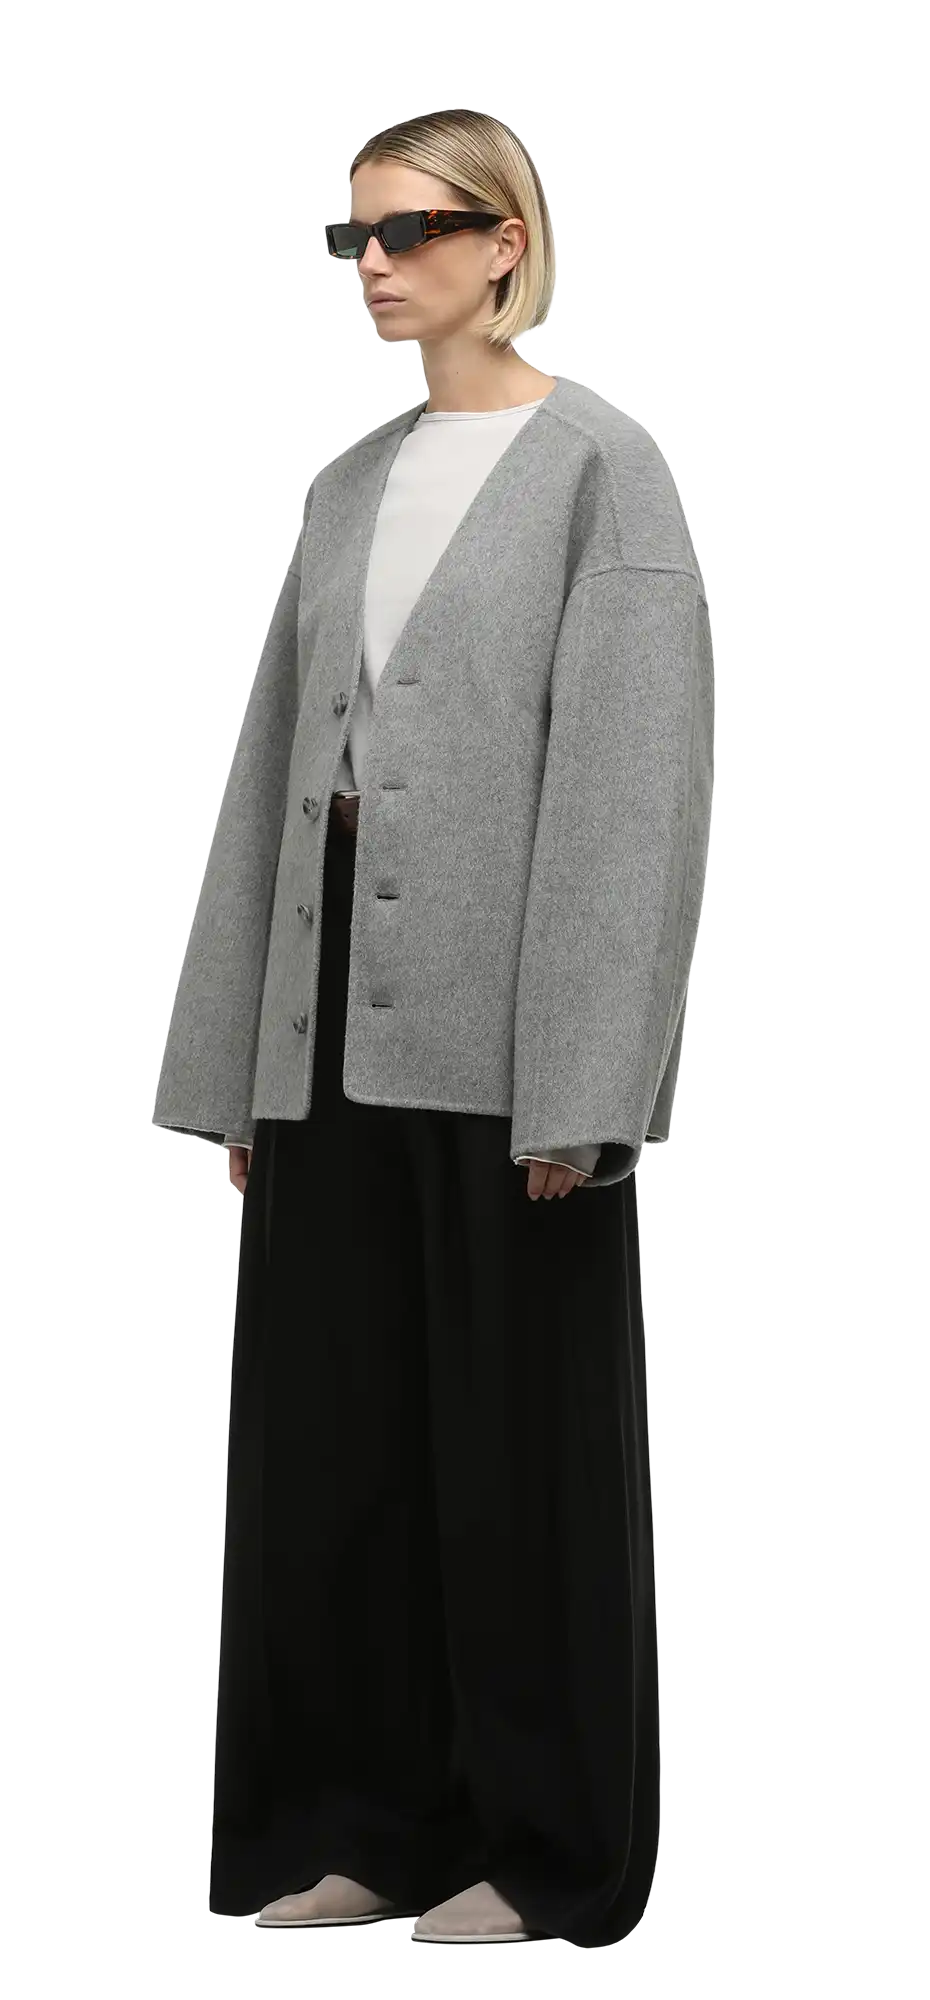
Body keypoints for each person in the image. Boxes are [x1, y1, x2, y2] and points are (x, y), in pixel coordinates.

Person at [152, 107, 715, 1948]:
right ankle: (366, 1825)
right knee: (335, 1450)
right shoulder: (344, 485)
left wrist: (585, 1085)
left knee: (516, 1459)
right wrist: (237, 1064)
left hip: (507, 1036)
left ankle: (545, 1852)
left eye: (406, 232)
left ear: (503, 243)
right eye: (353, 240)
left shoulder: (601, 472)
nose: (374, 268)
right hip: (321, 1028)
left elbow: (631, 794)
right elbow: (270, 774)